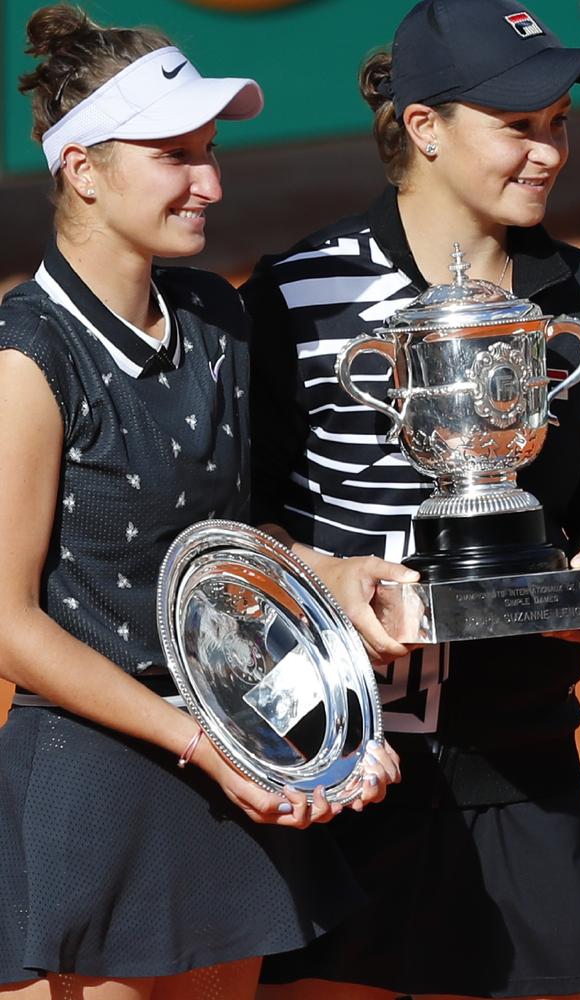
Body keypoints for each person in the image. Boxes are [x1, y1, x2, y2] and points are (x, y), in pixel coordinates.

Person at [242, 1, 580, 997]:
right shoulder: (294, 293)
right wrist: (328, 574)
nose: (547, 151)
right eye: (518, 126)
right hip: (337, 763)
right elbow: (234, 516)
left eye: (558, 122)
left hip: (515, 748)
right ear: (422, 127)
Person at [0, 6, 399, 998]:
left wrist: (327, 575)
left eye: (210, 152)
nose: (210, 182)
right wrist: (198, 742)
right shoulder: (27, 354)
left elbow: (227, 545)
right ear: (83, 169)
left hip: (231, 760)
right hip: (98, 785)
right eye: (175, 155)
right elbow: (6, 624)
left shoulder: (217, 313)